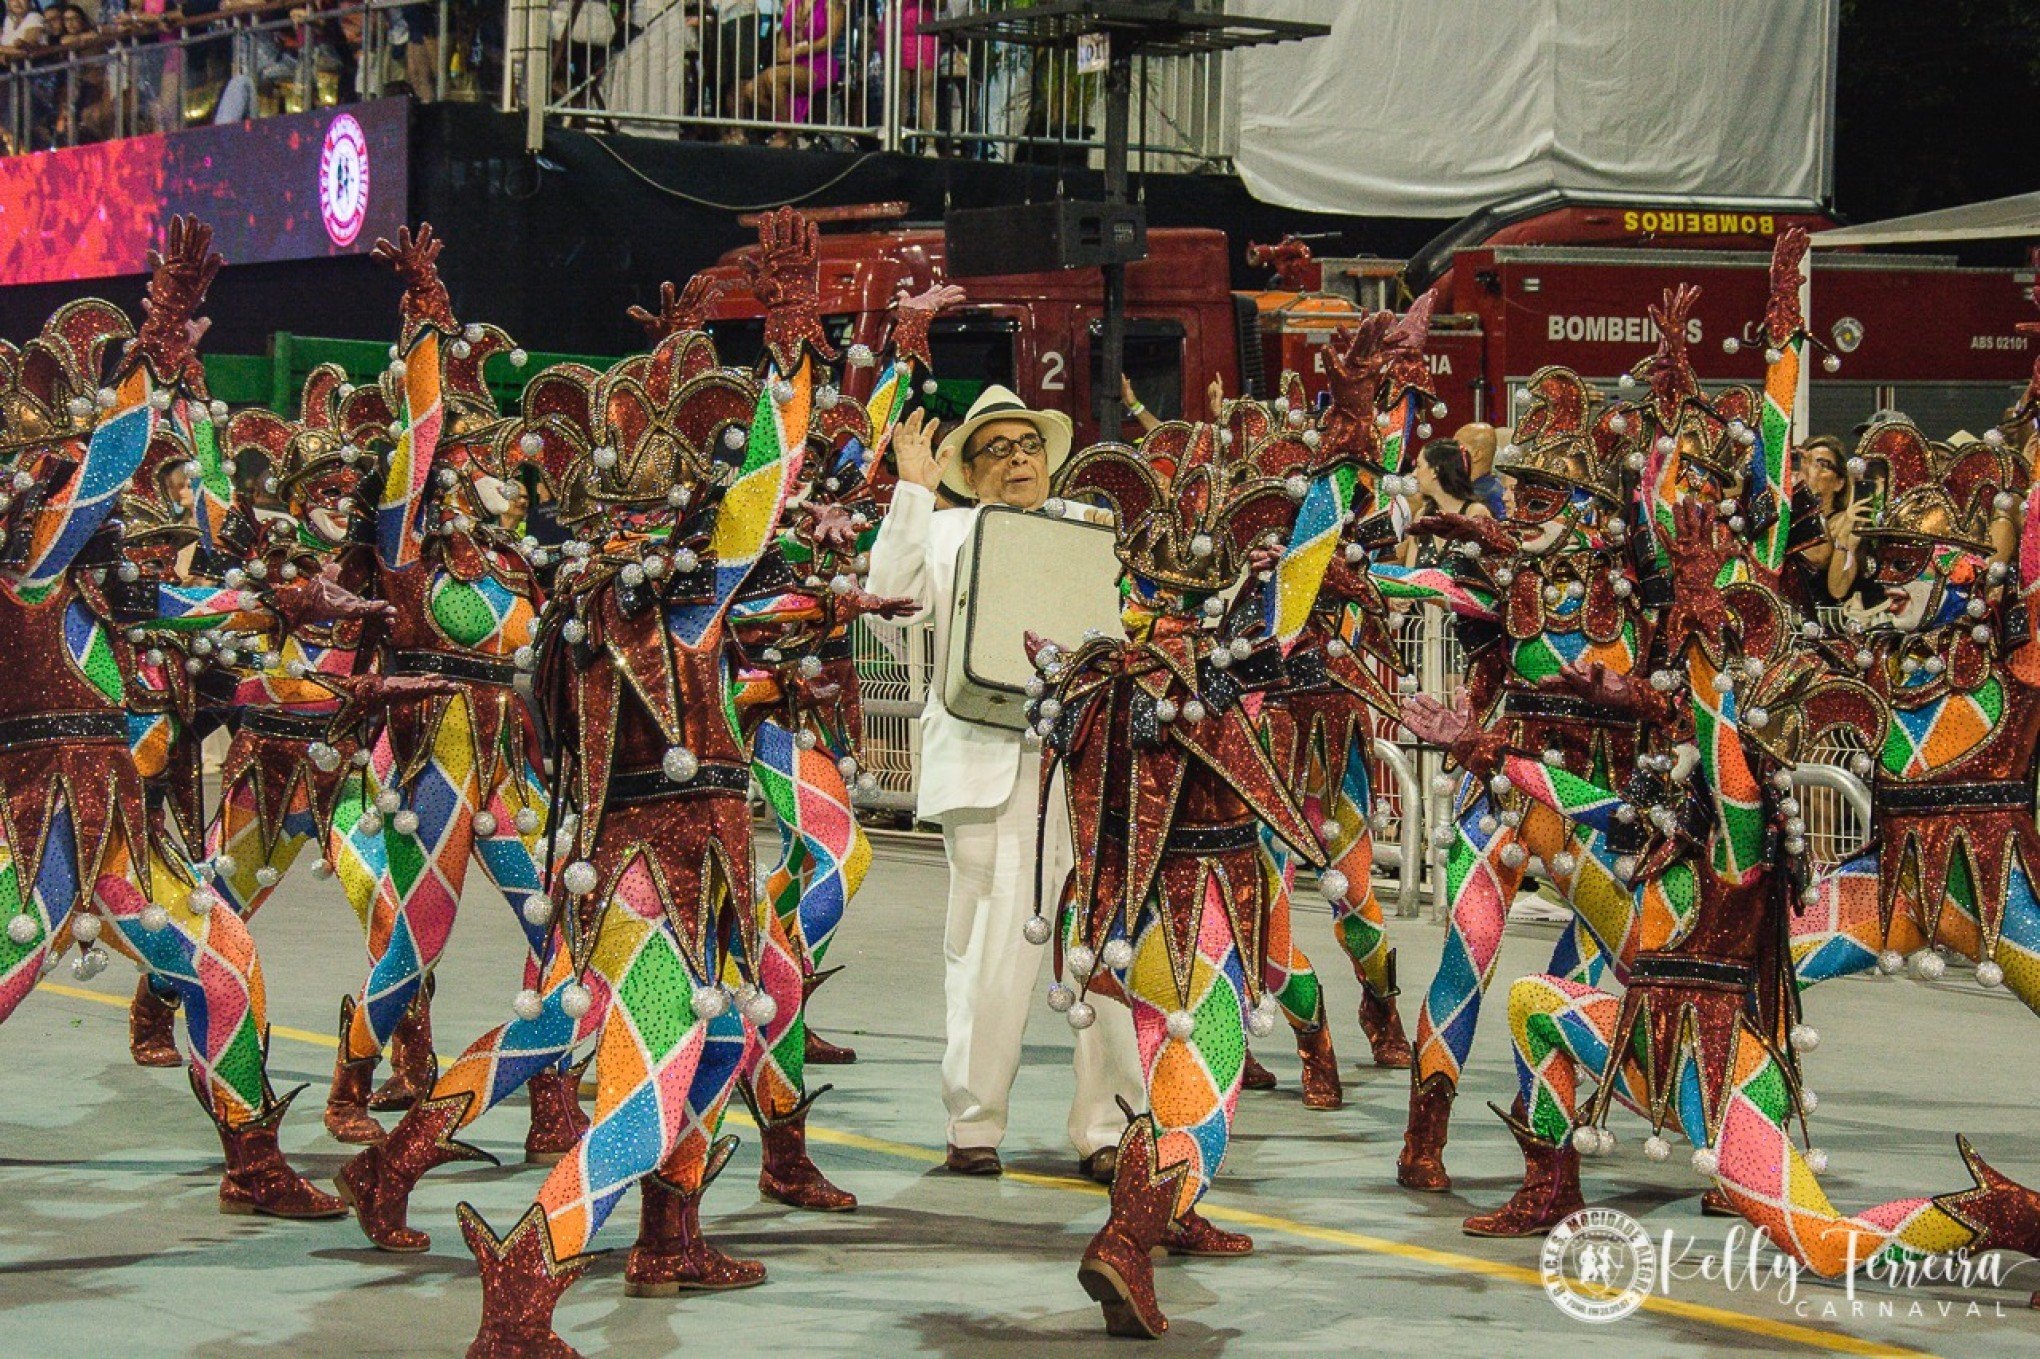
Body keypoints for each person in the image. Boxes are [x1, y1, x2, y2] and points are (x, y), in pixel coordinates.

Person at [865, 383, 1143, 1182]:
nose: (1019, 460)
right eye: (1000, 449)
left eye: (1030, 447)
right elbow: (890, 603)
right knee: (992, 952)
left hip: (1084, 764)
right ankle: (974, 1123)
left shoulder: (1087, 532)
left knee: (1101, 944)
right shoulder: (946, 531)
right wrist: (911, 492)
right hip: (992, 766)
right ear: (969, 470)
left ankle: (1110, 1126)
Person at [737, 0, 837, 143]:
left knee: (775, 77)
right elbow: (782, 46)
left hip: (819, 64)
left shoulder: (832, 4)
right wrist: (785, 54)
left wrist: (800, 49)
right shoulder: (792, 5)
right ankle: (784, 124)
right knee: (750, 89)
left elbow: (829, 40)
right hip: (792, 62)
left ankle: (786, 132)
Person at [1454, 420, 1508, 516]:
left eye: (1456, 447)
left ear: (1476, 455)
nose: (1450, 453)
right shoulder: (1495, 487)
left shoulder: (1481, 498)